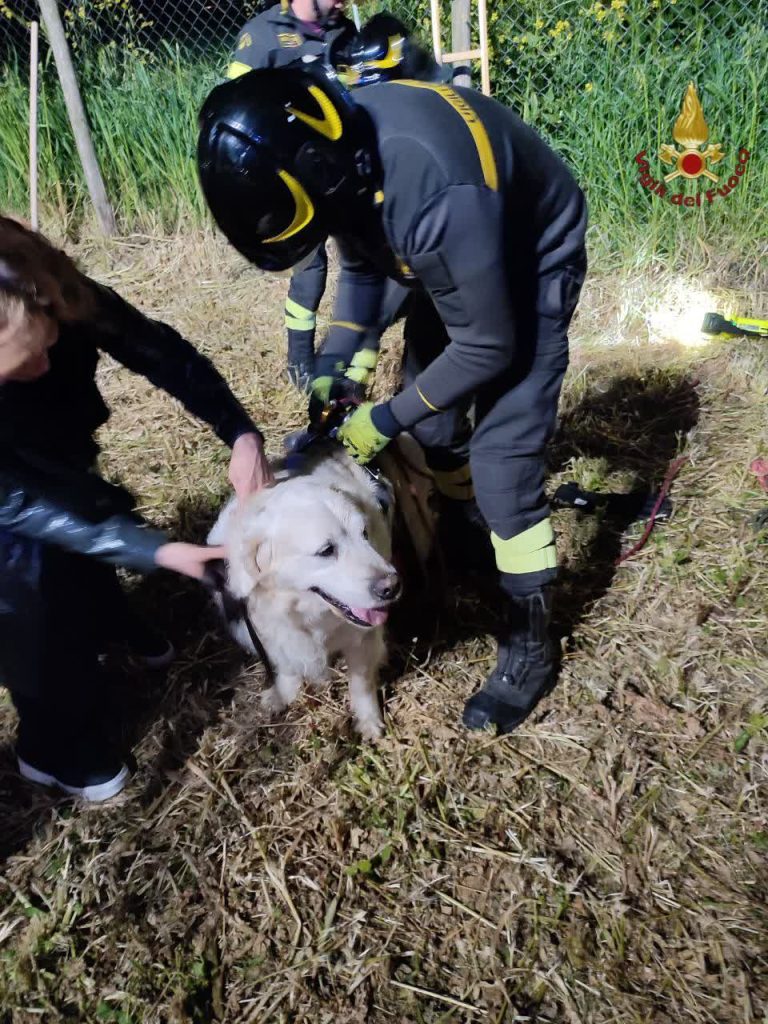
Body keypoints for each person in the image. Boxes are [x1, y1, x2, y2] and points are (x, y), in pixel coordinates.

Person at [197, 64, 588, 735]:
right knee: (434, 430)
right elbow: (362, 266)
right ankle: (465, 534)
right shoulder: (342, 156)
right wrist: (337, 366)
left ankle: (529, 642)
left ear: (320, 170)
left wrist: (382, 419)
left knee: (503, 460)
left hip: (528, 255)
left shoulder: (433, 195)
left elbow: (489, 345)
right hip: (457, 249)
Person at [0, 215, 272, 801]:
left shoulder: (50, 289)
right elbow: (16, 502)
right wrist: (160, 550)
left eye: (47, 342)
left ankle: (104, 617)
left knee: (77, 523)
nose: (43, 367)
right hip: (8, 504)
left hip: (54, 454)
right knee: (24, 590)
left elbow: (160, 352)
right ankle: (49, 745)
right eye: (19, 366)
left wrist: (240, 431)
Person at [225, 0, 358, 390]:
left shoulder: (344, 31)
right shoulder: (261, 35)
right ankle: (300, 361)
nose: (345, 2)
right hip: (290, 177)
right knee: (311, 270)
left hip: (342, 167)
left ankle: (356, 349)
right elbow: (232, 108)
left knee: (364, 260)